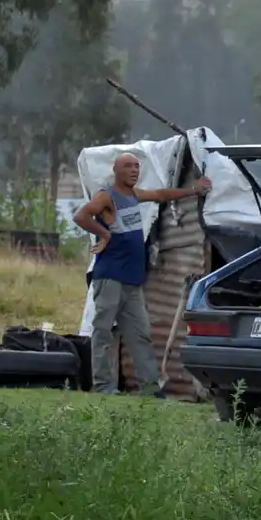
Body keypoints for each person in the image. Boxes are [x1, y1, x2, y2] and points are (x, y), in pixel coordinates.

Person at [73, 153, 212, 395]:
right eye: (128, 166)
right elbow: (80, 215)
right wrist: (104, 235)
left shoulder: (133, 196)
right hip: (110, 277)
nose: (134, 170)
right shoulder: (107, 196)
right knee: (103, 332)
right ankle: (104, 387)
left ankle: (149, 388)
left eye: (137, 166)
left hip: (132, 280)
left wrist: (193, 190)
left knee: (140, 335)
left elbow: (160, 195)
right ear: (115, 170)